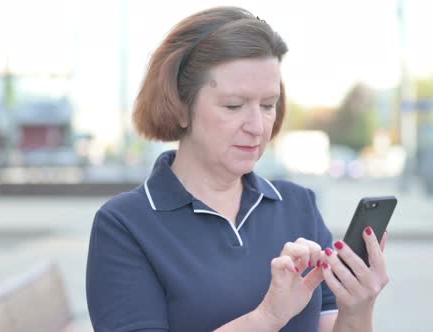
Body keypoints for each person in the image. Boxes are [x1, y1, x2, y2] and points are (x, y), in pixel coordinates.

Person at [86, 6, 389, 332]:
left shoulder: (299, 205)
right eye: (234, 106)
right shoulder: (125, 225)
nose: (257, 127)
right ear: (180, 106)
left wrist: (358, 308)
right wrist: (266, 318)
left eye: (268, 105)